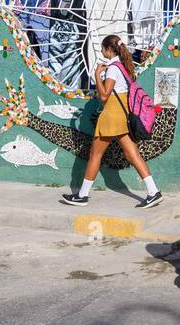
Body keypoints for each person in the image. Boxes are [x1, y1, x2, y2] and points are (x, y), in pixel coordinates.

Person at [59, 34, 162, 209]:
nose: (101, 51)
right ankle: (154, 192)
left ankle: (82, 195)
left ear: (109, 49)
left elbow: (105, 95)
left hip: (111, 115)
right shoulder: (123, 66)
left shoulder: (113, 68)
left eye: (102, 48)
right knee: (132, 155)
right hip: (122, 115)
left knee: (95, 155)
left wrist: (97, 76)